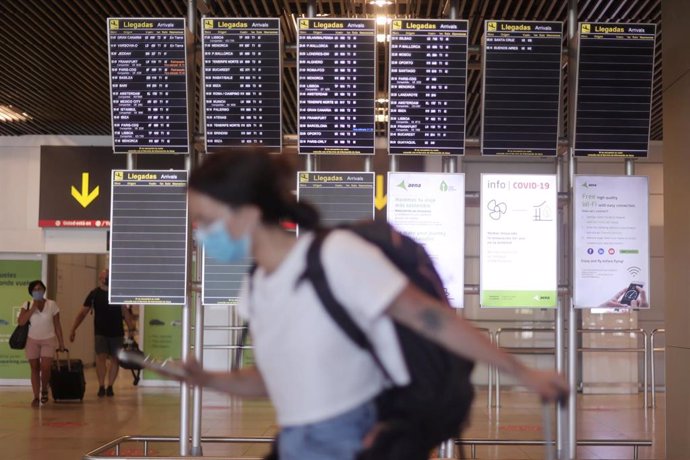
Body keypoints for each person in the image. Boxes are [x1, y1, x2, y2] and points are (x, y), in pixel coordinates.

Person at [176, 150, 568, 460]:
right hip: (297, 442)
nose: (198, 233)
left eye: (205, 221)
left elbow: (433, 320)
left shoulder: (334, 256)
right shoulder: (257, 286)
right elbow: (276, 380)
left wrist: (524, 373)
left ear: (247, 215)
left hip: (354, 440)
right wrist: (209, 380)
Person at [69, 269, 135, 397]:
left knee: (115, 359)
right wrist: (73, 328)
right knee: (101, 358)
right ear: (100, 278)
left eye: (109, 276)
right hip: (100, 332)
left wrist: (131, 328)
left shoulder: (117, 294)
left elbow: (125, 313)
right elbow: (83, 313)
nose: (107, 279)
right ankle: (101, 385)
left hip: (117, 333)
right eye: (105, 276)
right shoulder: (94, 294)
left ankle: (110, 386)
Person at [17, 280, 65, 406]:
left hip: (48, 339)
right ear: (31, 292)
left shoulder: (52, 304)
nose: (38, 291)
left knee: (45, 367)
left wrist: (61, 342)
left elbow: (57, 324)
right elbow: (21, 322)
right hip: (32, 340)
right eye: (35, 289)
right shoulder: (27, 304)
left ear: (44, 290)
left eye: (40, 289)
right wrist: (33, 308)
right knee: (34, 368)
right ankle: (35, 396)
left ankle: (44, 389)